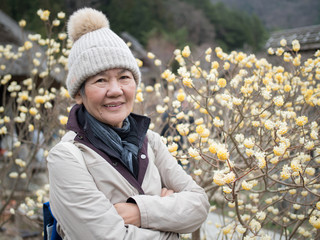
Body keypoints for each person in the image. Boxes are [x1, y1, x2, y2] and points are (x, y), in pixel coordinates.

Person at [47, 7, 209, 239]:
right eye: (100, 80)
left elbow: (200, 204)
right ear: (79, 94)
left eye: (124, 77)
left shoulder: (150, 141)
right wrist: (169, 220)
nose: (115, 91)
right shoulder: (67, 157)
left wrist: (140, 212)